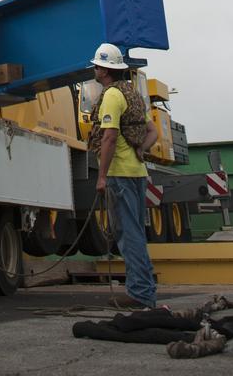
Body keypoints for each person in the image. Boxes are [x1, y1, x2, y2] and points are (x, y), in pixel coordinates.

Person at [89, 41, 159, 308]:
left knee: (128, 235)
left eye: (97, 66)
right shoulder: (133, 95)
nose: (95, 70)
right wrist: (141, 149)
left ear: (104, 71)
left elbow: (108, 137)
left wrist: (102, 176)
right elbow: (153, 132)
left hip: (119, 174)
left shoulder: (111, 96)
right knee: (135, 233)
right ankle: (144, 289)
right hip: (137, 173)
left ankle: (140, 293)